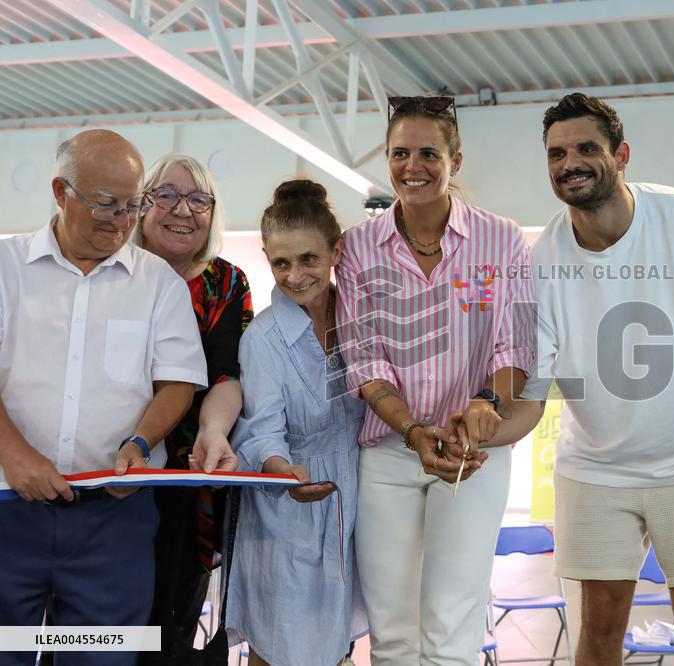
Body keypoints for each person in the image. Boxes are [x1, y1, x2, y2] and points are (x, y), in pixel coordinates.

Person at [519, 92, 674, 665]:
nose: (570, 163)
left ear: (622, 155)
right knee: (599, 627)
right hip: (594, 469)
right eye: (557, 153)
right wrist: (483, 424)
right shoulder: (541, 257)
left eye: (586, 148)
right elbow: (531, 387)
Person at [336, 95, 535, 665]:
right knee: (393, 630)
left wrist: (485, 403)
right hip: (389, 451)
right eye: (400, 153)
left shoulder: (501, 239)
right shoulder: (357, 248)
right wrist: (411, 430)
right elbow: (363, 358)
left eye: (429, 153)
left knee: (452, 624)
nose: (413, 166)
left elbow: (515, 342)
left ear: (455, 161)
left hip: (474, 452)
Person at [0, 130, 207, 666]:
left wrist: (141, 441)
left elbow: (178, 382)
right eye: (106, 204)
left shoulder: (158, 283)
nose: (121, 221)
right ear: (60, 191)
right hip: (7, 510)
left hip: (114, 520)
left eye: (132, 205)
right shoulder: (5, 267)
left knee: (103, 655)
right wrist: (13, 454)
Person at [226, 179, 366, 666]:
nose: (295, 275)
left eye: (309, 259)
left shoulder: (362, 318)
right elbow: (261, 428)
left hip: (356, 496)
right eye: (281, 263)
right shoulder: (263, 337)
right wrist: (282, 470)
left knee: (339, 648)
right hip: (288, 507)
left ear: (336, 251)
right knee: (280, 647)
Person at [133, 154, 253, 660]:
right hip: (107, 471)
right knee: (93, 624)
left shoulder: (226, 283)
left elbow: (228, 373)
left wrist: (213, 432)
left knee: (169, 627)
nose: (183, 210)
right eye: (167, 195)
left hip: (189, 475)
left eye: (198, 199)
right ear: (142, 205)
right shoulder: (116, 270)